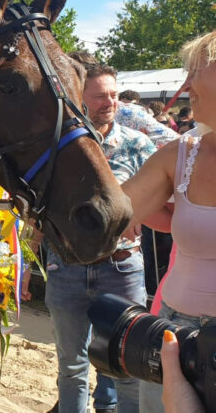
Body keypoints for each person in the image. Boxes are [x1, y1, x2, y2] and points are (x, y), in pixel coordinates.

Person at [44, 58, 155, 413]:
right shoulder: (58, 147)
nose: (110, 102)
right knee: (72, 368)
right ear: (80, 98)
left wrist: (142, 212)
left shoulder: (138, 145)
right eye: (100, 96)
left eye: (114, 94)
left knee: (127, 366)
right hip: (67, 269)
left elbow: (165, 195)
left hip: (121, 270)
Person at [121, 31, 216, 413]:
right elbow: (113, 212)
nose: (186, 85)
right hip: (171, 331)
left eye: (198, 72)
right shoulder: (180, 154)